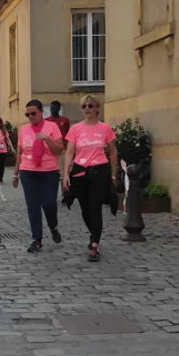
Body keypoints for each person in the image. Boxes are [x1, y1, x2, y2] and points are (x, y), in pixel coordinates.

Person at [63, 95, 119, 262]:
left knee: (95, 207)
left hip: (99, 171)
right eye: (84, 106)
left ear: (97, 108)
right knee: (85, 209)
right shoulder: (76, 129)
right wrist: (65, 174)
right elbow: (69, 153)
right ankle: (94, 234)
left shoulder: (105, 128)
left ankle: (95, 245)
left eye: (90, 105)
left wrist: (113, 174)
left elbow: (113, 152)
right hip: (80, 172)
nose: (86, 109)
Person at [11, 99, 65, 253]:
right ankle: (37, 239)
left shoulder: (52, 127)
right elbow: (20, 153)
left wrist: (47, 138)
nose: (30, 117)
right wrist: (15, 174)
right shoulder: (24, 130)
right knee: (33, 205)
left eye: (33, 113)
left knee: (49, 204)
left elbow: (59, 150)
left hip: (49, 171)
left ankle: (53, 226)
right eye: (27, 114)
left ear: (41, 112)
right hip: (28, 171)